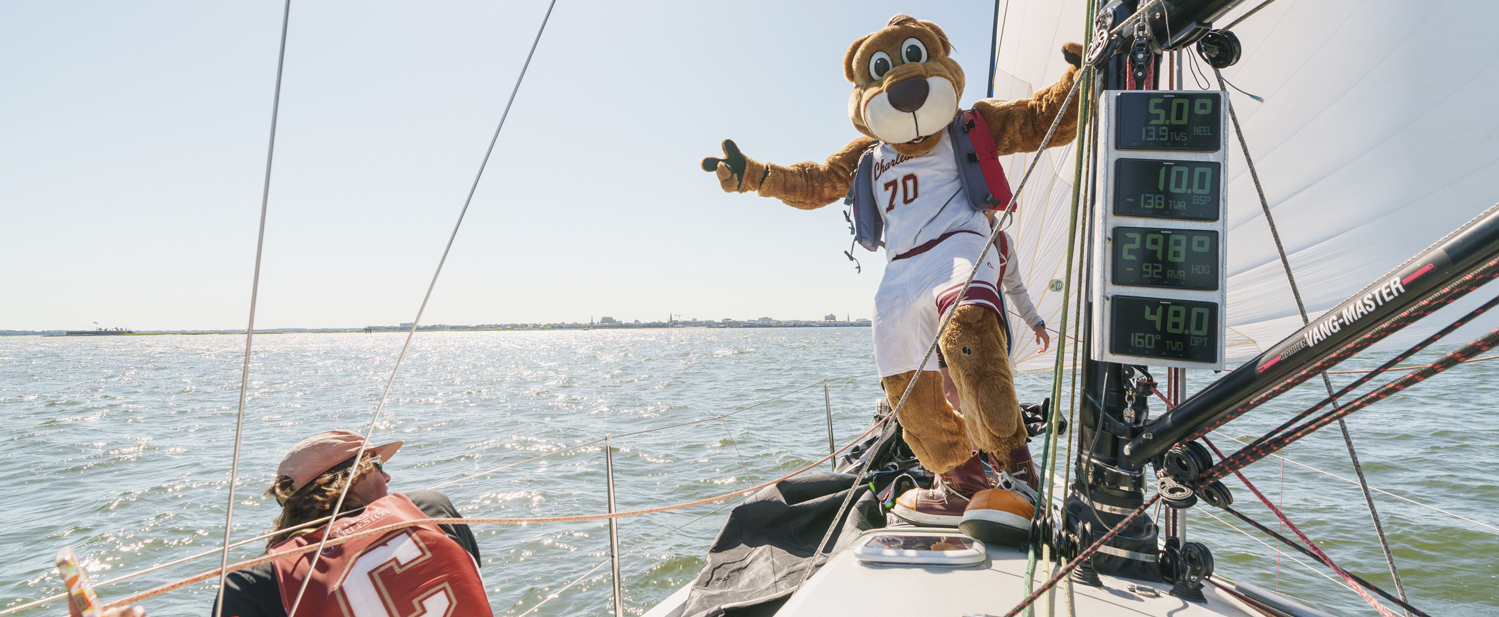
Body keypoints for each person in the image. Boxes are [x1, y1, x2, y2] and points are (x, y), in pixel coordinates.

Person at [214, 429, 491, 617]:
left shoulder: (253, 582)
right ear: (351, 482)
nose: (387, 477)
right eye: (378, 465)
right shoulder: (430, 507)